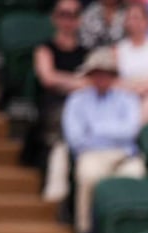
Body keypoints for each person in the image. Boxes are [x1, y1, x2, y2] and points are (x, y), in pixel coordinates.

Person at [62, 48, 146, 233]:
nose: (101, 78)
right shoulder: (76, 100)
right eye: (97, 73)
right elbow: (75, 138)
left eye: (106, 74)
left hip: (124, 155)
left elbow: (130, 131)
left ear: (113, 76)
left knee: (136, 176)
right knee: (88, 177)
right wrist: (112, 132)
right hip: (91, 155)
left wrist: (95, 129)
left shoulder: (128, 98)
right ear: (90, 75)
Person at [32, 0, 89, 203]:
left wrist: (66, 81)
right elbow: (48, 78)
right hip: (55, 105)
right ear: (54, 18)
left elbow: (90, 83)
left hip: (83, 107)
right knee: (61, 129)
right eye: (63, 14)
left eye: (73, 15)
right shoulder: (45, 48)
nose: (68, 20)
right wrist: (77, 81)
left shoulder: (86, 52)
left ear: (80, 20)